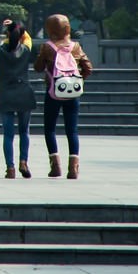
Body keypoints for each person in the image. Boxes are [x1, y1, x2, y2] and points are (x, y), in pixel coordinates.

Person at [32, 12, 93, 179]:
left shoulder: (47, 47)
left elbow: (37, 67)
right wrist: (77, 79)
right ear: (67, 28)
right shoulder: (76, 47)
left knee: (50, 129)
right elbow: (88, 68)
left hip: (53, 91)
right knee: (72, 130)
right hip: (72, 92)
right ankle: (73, 168)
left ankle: (55, 166)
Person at [0, 18, 36, 178]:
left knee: (8, 134)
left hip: (6, 93)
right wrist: (14, 25)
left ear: (6, 35)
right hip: (24, 93)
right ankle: (23, 161)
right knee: (24, 131)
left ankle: (10, 168)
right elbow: (27, 37)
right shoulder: (26, 49)